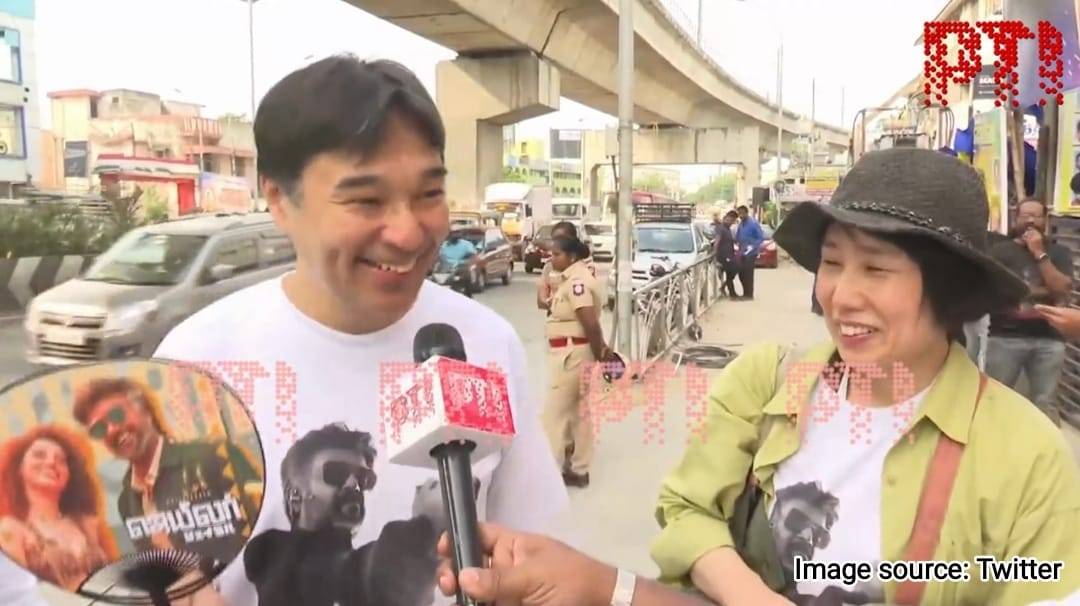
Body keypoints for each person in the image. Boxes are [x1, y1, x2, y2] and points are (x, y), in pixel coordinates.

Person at [120, 55, 563, 606]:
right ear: (280, 200)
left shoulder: (482, 344)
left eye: (429, 194)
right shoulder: (197, 362)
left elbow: (538, 552)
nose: (407, 232)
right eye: (366, 200)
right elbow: (149, 564)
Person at [650, 148, 1080, 606]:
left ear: (947, 288)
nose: (841, 296)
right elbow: (687, 508)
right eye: (832, 263)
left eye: (875, 268)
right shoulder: (769, 382)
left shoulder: (1025, 451)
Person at [71, 377, 262, 564]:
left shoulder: (215, 456)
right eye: (99, 430)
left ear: (144, 409)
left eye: (116, 415)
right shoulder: (127, 501)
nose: (111, 429)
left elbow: (260, 531)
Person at [984, 198, 1074, 425]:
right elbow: (998, 289)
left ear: (1046, 220)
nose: (1031, 221)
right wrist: (1044, 291)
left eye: (1036, 216)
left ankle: (1049, 455)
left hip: (1049, 340)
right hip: (1004, 336)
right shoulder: (999, 251)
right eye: (1026, 215)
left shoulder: (1059, 253)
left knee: (1046, 402)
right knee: (996, 399)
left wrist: (1039, 253)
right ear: (1017, 218)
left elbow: (1062, 289)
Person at [0, 425, 117, 592]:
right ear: (19, 468)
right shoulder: (12, 530)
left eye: (61, 460)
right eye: (39, 455)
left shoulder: (90, 525)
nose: (51, 462)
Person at [542, 235, 610, 488]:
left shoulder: (577, 282)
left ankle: (545, 475)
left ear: (571, 256)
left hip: (572, 356)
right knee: (578, 414)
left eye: (556, 254)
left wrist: (601, 351)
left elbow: (590, 322)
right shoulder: (570, 278)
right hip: (577, 353)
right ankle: (580, 469)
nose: (552, 258)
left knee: (553, 416)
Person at [537, 221, 595, 311]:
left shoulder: (585, 268)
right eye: (555, 239)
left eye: (562, 239)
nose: (558, 243)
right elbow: (541, 299)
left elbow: (586, 302)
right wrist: (549, 302)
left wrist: (560, 303)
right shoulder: (549, 266)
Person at [735, 204, 764, 300]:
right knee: (741, 273)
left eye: (742, 213)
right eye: (739, 214)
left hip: (751, 253)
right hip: (742, 252)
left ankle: (749, 295)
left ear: (747, 213)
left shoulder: (753, 223)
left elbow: (760, 237)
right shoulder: (740, 224)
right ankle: (745, 293)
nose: (741, 215)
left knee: (748, 274)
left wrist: (752, 246)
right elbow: (737, 237)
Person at [712, 211, 738, 298]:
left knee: (732, 272)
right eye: (729, 220)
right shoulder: (721, 228)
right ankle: (731, 293)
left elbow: (729, 241)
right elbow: (717, 242)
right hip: (723, 256)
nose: (730, 222)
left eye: (732, 220)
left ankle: (723, 288)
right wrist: (715, 257)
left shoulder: (728, 229)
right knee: (730, 272)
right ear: (725, 218)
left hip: (730, 255)